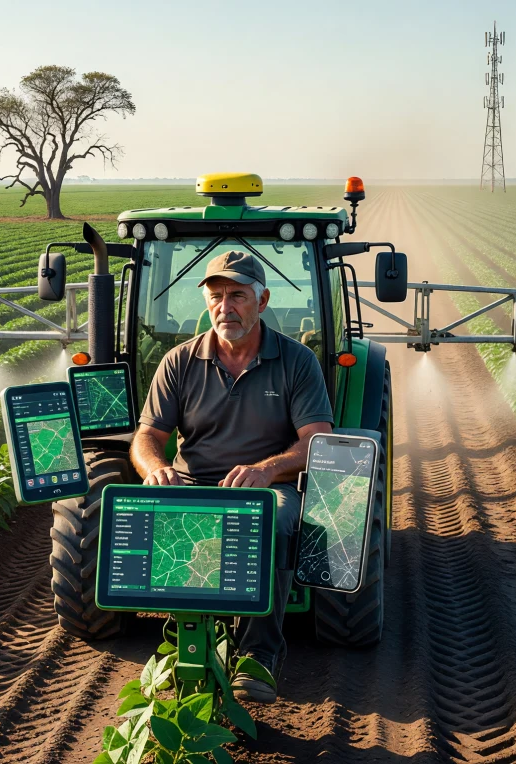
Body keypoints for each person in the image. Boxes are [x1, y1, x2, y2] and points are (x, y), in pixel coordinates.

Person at [131, 249, 333, 704]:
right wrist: (156, 467)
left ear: (261, 302)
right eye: (217, 296)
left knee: (273, 522)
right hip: (194, 482)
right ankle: (184, 637)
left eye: (237, 295)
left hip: (269, 486)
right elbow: (146, 436)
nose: (226, 306)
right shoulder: (178, 362)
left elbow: (317, 442)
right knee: (143, 519)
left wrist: (267, 469)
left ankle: (261, 653)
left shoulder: (297, 362)